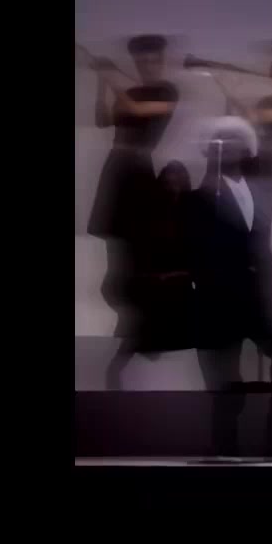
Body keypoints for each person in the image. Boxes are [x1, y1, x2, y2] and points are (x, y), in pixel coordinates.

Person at [187, 117, 272, 461]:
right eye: (220, 141)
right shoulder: (200, 196)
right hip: (220, 298)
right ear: (210, 150)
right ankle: (224, 445)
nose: (228, 146)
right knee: (223, 373)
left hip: (261, 295)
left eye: (235, 140)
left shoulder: (261, 185)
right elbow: (194, 249)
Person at [87, 35, 180, 343]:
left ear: (161, 61)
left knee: (136, 248)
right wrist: (102, 80)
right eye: (143, 61)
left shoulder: (168, 91)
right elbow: (102, 120)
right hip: (116, 168)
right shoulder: (129, 92)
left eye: (154, 60)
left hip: (138, 172)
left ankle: (142, 322)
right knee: (116, 247)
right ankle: (129, 321)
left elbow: (138, 110)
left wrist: (110, 75)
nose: (148, 66)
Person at [104, 162, 197, 390]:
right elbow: (139, 252)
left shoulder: (190, 215)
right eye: (168, 183)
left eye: (176, 183)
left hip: (176, 286)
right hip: (153, 287)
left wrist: (178, 274)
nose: (172, 188)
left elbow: (196, 255)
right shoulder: (151, 215)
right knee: (136, 336)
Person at [210, 39, 272, 226]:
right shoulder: (266, 100)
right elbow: (245, 123)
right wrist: (229, 93)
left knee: (257, 224)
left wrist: (229, 91)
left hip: (265, 166)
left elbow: (254, 116)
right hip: (247, 162)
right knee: (239, 222)